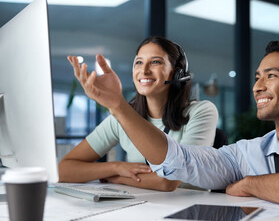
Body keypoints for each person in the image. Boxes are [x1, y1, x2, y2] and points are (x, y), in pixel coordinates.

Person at [65, 39, 279, 209]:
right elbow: (180, 163)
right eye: (257, 77)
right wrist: (117, 106)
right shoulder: (245, 153)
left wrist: (249, 184)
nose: (257, 86)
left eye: (270, 76)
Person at [59, 37, 218, 191]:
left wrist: (116, 177)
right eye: (139, 62)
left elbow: (168, 182)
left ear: (177, 73)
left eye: (156, 62)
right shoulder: (122, 117)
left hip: (191, 210)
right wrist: (116, 167)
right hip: (141, 206)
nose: (144, 70)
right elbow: (63, 169)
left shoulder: (201, 111)